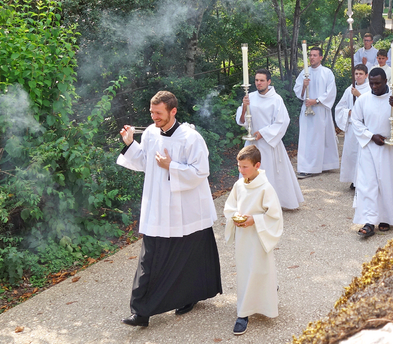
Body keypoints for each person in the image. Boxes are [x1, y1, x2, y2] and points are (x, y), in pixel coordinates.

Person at [117, 91, 222, 327]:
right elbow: (145, 162)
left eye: (158, 113)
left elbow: (200, 172)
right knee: (150, 258)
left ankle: (191, 295)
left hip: (186, 208)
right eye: (152, 112)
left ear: (173, 111)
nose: (154, 117)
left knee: (190, 255)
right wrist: (130, 144)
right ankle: (141, 312)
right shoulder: (152, 134)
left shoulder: (191, 138)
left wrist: (171, 166)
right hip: (158, 206)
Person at [223, 145, 283, 335]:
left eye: (245, 167)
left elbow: (274, 216)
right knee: (244, 272)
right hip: (243, 237)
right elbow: (230, 206)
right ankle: (243, 313)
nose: (241, 171)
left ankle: (265, 302)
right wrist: (235, 216)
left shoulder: (266, 188)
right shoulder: (239, 185)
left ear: (257, 165)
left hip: (259, 236)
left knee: (261, 270)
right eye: (239, 166)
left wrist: (254, 220)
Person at [351, 67, 393, 238]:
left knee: (388, 183)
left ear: (386, 81)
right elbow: (355, 121)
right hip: (370, 147)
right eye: (371, 83)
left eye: (377, 83)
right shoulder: (363, 99)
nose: (374, 86)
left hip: (389, 148)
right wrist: (370, 136)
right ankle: (369, 221)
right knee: (368, 184)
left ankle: (387, 218)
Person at [236, 69, 304, 209]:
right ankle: (251, 203)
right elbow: (242, 120)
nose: (258, 83)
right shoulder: (250, 97)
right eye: (256, 80)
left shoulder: (276, 99)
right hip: (252, 143)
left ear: (269, 81)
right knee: (250, 172)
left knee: (269, 174)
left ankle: (270, 204)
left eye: (261, 80)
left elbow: (282, 121)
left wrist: (263, 132)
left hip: (268, 143)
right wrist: (244, 107)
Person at [293, 46, 339, 178]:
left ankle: (324, 164)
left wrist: (317, 100)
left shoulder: (327, 73)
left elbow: (330, 92)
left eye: (314, 55)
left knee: (321, 138)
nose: (312, 58)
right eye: (310, 55)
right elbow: (298, 91)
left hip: (320, 110)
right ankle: (307, 167)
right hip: (307, 110)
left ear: (320, 57)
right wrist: (304, 86)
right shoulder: (304, 73)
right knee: (307, 138)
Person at [335, 64, 371, 189]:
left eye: (361, 74)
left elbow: (372, 105)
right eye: (356, 74)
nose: (358, 76)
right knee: (352, 155)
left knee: (363, 155)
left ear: (366, 75)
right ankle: (353, 180)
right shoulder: (349, 89)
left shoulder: (370, 89)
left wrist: (359, 95)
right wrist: (349, 112)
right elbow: (340, 107)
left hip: (364, 126)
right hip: (352, 128)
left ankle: (362, 180)